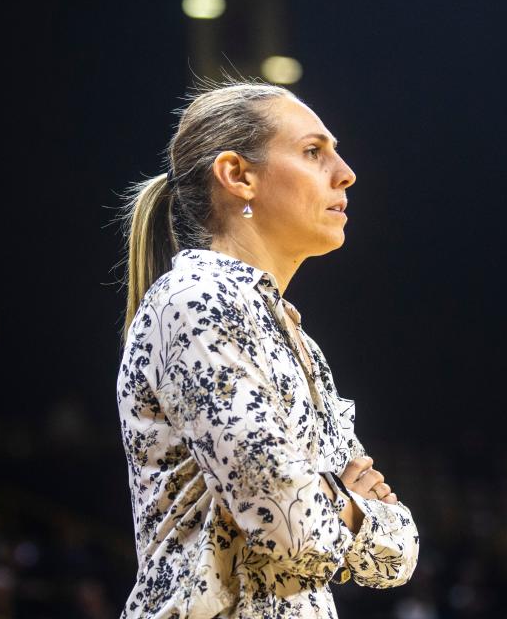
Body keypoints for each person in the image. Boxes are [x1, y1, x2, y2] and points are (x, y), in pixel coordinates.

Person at [116, 81, 419, 618]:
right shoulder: (196, 302)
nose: (345, 172)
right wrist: (350, 504)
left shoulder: (295, 338)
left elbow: (399, 555)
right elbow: (292, 529)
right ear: (238, 176)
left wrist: (328, 499)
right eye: (312, 151)